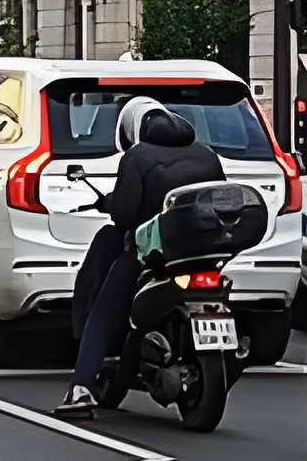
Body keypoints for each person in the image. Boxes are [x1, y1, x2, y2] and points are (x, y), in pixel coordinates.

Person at [56, 98, 225, 420]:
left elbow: (124, 215)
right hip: (205, 253)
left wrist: (108, 204)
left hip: (155, 255)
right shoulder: (207, 154)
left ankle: (80, 387)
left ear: (133, 128)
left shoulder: (138, 157)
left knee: (105, 311)